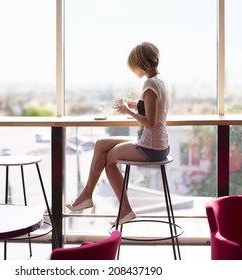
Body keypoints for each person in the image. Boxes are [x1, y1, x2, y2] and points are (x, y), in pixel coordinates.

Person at [66, 42, 170, 225]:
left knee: (109, 160)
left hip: (151, 146)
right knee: (101, 144)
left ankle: (125, 210)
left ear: (142, 64)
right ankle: (87, 196)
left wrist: (127, 111)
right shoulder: (160, 82)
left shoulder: (149, 84)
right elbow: (151, 109)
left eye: (134, 67)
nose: (134, 71)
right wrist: (134, 104)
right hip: (156, 142)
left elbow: (150, 122)